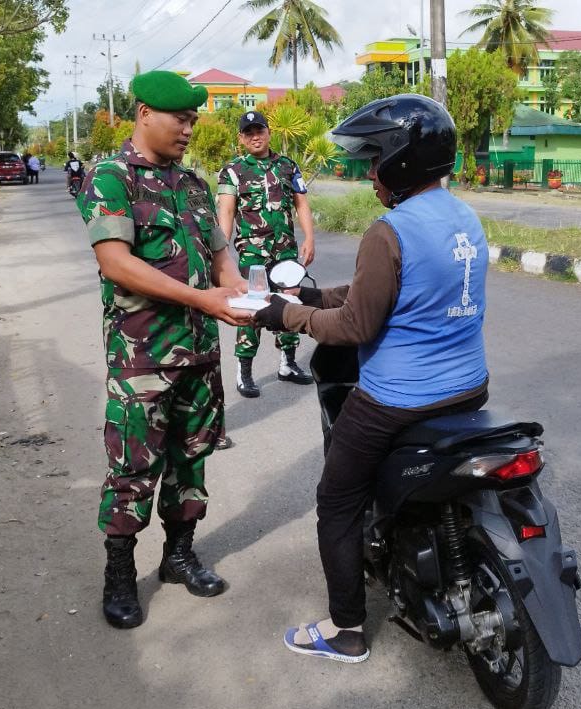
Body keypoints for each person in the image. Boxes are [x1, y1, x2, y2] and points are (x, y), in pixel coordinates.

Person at [253, 94, 489, 663]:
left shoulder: (390, 229)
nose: (369, 175)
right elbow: (403, 294)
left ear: (398, 162)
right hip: (471, 386)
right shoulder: (464, 215)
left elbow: (357, 323)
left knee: (335, 500)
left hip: (397, 399)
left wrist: (287, 314)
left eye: (372, 162)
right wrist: (312, 295)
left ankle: (346, 631)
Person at [76, 70, 254, 630]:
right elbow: (116, 263)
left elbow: (222, 258)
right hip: (143, 359)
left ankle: (178, 556)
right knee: (132, 468)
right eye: (180, 118)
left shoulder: (195, 186)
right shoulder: (111, 177)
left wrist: (250, 293)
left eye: (194, 120)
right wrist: (202, 299)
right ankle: (121, 575)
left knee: (191, 461)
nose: (189, 129)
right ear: (145, 112)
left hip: (200, 355)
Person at [216, 110, 316, 399]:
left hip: (285, 251)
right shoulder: (233, 170)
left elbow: (301, 204)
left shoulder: (287, 166)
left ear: (269, 132)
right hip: (253, 256)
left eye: (259, 130)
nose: (255, 136)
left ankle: (288, 363)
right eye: (248, 133)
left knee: (288, 304)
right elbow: (227, 211)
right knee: (253, 309)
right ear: (241, 138)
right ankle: (244, 371)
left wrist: (309, 237)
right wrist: (220, 252)